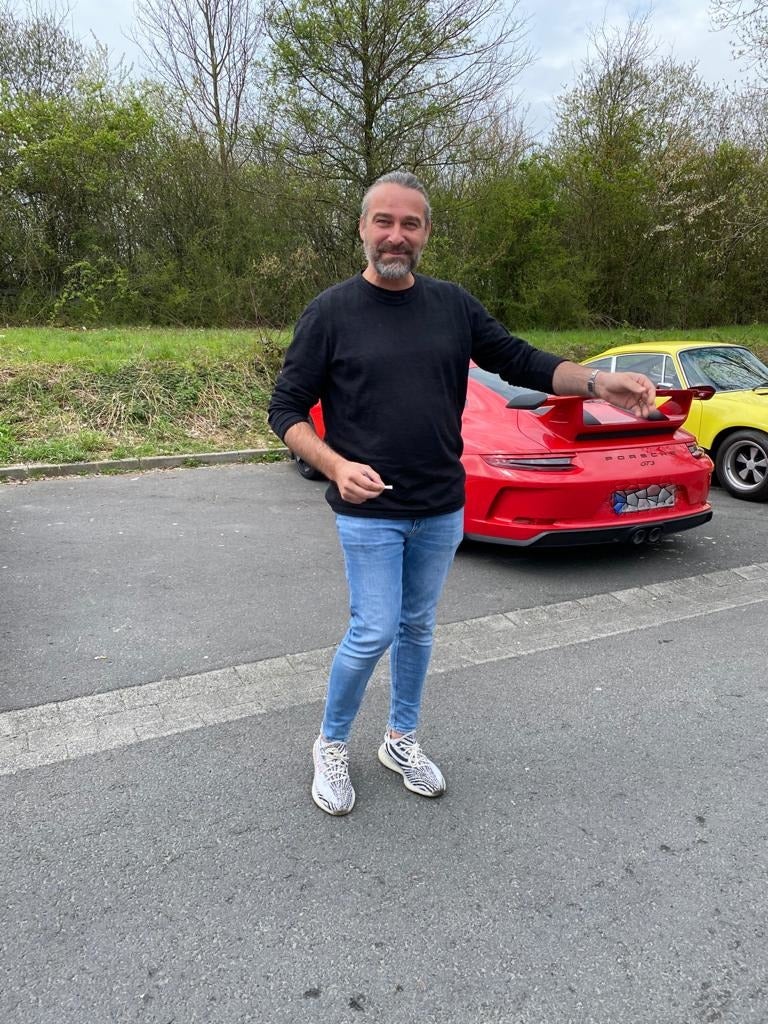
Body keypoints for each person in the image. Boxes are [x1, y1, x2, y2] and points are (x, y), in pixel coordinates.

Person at [268, 171, 655, 816]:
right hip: (370, 511)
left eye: (410, 224)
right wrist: (335, 466)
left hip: (442, 507)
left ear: (425, 234)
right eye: (384, 221)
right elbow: (285, 410)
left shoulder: (452, 305)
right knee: (373, 630)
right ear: (362, 228)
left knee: (418, 628)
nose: (396, 236)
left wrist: (595, 383)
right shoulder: (331, 312)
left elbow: (522, 360)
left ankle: (400, 739)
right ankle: (330, 743)